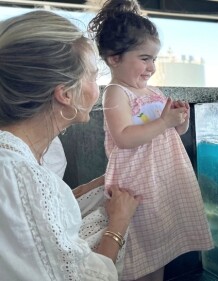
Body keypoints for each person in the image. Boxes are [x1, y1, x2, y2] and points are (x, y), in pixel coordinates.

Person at [0, 10, 141, 280]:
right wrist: (118, 222)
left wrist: (94, 185)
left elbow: (40, 214)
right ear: (65, 94)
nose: (97, 88)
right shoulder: (22, 176)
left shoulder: (22, 158)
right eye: (91, 76)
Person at [88, 0, 214, 280]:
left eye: (154, 59)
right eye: (144, 58)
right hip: (140, 184)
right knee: (141, 253)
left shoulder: (153, 92)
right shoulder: (116, 93)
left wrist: (179, 122)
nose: (152, 67)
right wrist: (164, 121)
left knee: (160, 250)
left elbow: (169, 133)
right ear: (114, 58)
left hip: (162, 180)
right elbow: (123, 138)